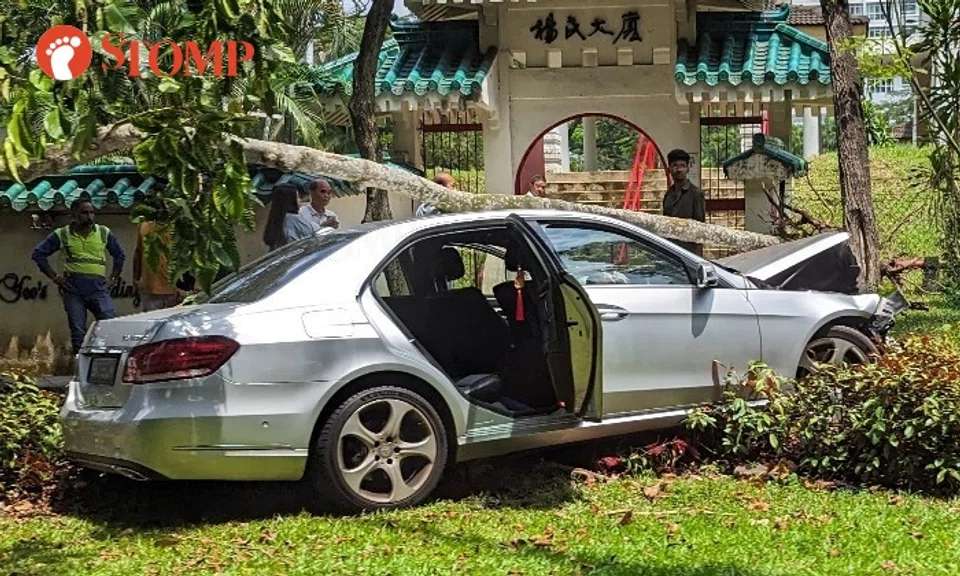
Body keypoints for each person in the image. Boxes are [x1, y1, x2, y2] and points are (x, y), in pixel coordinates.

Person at [31, 199, 126, 355]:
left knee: (108, 324)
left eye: (92, 213)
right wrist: (56, 278)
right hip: (73, 288)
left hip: (98, 288)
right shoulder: (63, 234)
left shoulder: (103, 232)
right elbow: (38, 254)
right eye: (84, 213)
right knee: (78, 331)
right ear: (74, 214)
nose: (89, 216)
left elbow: (120, 255)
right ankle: (80, 364)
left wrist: (113, 279)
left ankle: (107, 362)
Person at [662, 148, 706, 255]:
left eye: (682, 166)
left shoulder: (696, 194)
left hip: (689, 251)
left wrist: (698, 257)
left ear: (687, 169)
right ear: (669, 169)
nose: (679, 169)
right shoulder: (668, 194)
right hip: (671, 249)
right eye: (675, 166)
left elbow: (700, 227)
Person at [133, 215, 181, 312]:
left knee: (152, 320)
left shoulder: (143, 225)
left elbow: (137, 254)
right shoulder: (176, 225)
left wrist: (136, 279)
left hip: (150, 286)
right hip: (172, 287)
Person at [263, 184, 321, 251]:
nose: (300, 200)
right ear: (290, 200)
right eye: (297, 197)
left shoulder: (276, 220)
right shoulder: (293, 219)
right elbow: (314, 235)